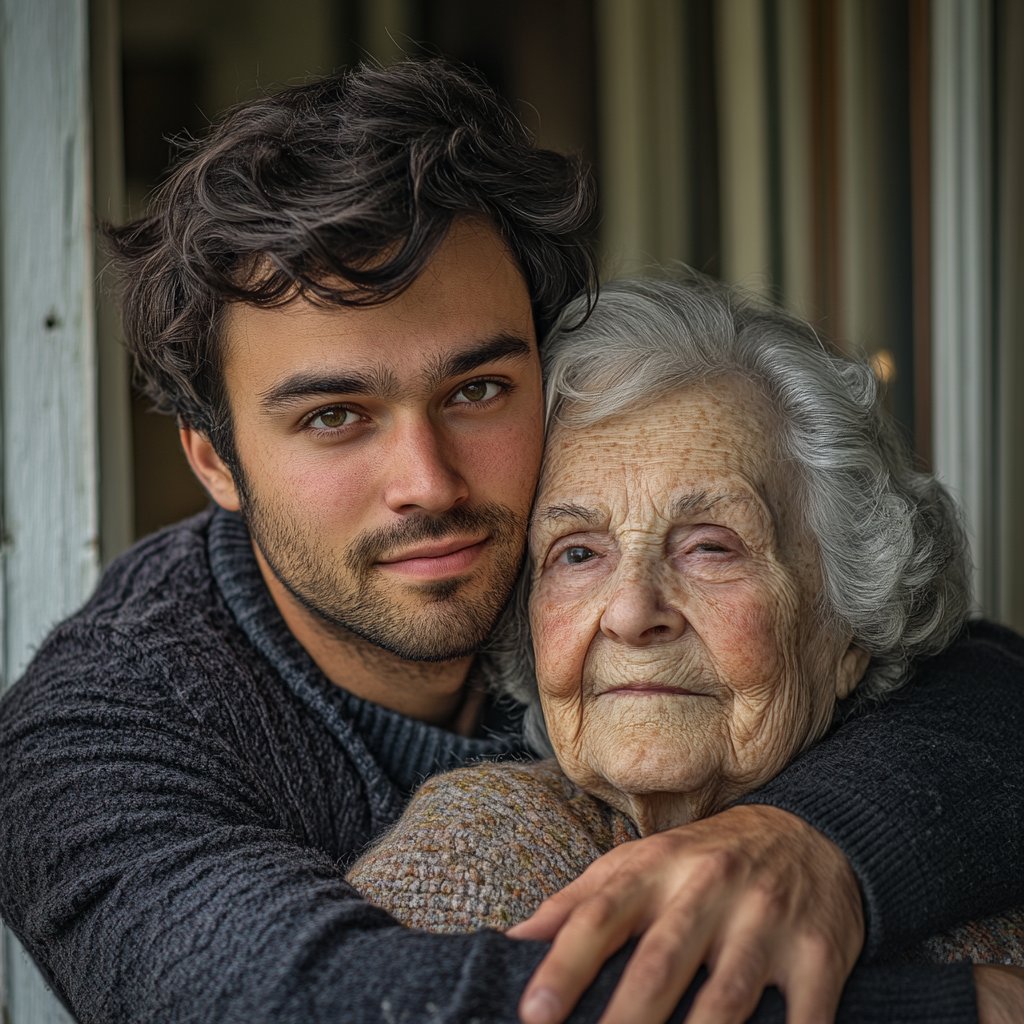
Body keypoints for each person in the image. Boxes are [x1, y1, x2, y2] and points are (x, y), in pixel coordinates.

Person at [0, 58, 1021, 1024]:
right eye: (334, 417)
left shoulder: (580, 536)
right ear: (213, 460)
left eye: (476, 390)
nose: (429, 483)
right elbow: (313, 1004)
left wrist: (821, 840)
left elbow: (967, 677)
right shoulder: (91, 746)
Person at [346, 274, 1024, 1012]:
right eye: (578, 553)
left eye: (710, 548)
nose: (633, 613)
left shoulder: (980, 846)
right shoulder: (482, 857)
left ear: (851, 627)